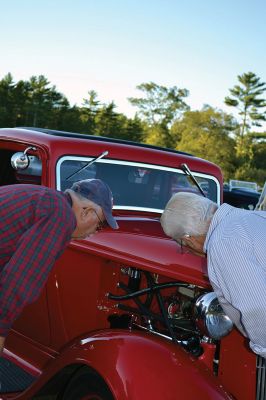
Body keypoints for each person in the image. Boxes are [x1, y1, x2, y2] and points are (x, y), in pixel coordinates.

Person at [0, 178, 118, 354]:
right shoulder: (61, 215)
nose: (94, 233)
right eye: (100, 225)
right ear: (86, 212)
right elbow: (21, 278)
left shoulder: (46, 198)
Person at [160, 192, 266, 358]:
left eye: (182, 244)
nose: (187, 249)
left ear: (188, 239)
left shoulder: (222, 243)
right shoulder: (249, 217)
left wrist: (261, 349)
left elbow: (259, 309)